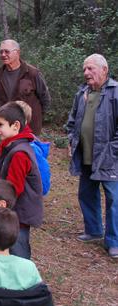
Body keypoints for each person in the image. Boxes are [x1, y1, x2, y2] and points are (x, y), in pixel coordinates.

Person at [66, 54, 118, 258]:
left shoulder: (115, 92)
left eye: (91, 69)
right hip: (86, 155)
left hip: (110, 158)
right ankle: (94, 230)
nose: (86, 73)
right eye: (84, 69)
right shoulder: (82, 93)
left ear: (104, 70)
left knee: (114, 199)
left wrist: (111, 150)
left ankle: (114, 241)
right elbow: (72, 121)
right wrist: (72, 139)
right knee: (86, 194)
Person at [0, 101, 44, 259]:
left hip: (18, 214)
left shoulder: (19, 153)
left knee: (18, 248)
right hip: (11, 210)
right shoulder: (11, 146)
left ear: (15, 125)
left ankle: (25, 281)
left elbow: (14, 189)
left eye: (0, 125)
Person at [0, 39, 51, 135]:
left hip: (30, 129)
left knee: (27, 150)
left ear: (17, 53)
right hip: (7, 129)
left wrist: (37, 118)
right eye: (1, 52)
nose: (3, 54)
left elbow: (45, 98)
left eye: (7, 51)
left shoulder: (32, 73)